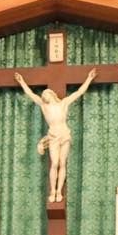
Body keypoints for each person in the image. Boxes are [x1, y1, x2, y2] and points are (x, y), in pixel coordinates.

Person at [14, 67, 97, 203]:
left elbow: (79, 92)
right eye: (43, 95)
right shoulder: (44, 106)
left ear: (51, 94)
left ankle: (59, 191)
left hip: (64, 134)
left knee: (63, 162)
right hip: (53, 136)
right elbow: (30, 94)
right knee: (55, 163)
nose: (44, 96)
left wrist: (89, 78)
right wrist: (21, 81)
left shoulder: (63, 103)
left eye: (46, 94)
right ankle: (52, 190)